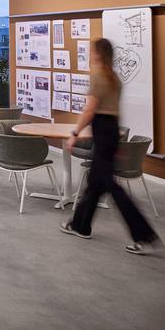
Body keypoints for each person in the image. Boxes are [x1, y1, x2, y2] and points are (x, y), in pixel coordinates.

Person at [61, 38, 160, 255]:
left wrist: (75, 133)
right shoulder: (114, 78)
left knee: (111, 187)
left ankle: (143, 235)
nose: (89, 55)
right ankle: (80, 225)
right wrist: (116, 141)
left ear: (98, 54)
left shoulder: (98, 76)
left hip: (103, 130)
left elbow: (90, 110)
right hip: (111, 131)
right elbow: (114, 112)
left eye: (92, 51)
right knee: (95, 182)